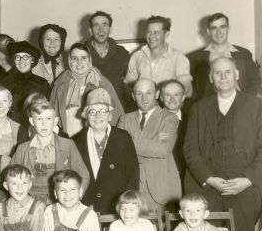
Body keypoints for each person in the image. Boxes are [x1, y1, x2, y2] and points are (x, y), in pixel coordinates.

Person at [183, 56, 262, 231]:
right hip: (209, 190)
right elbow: (190, 149)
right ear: (210, 78)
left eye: (228, 72)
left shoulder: (257, 106)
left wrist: (247, 180)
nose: (223, 77)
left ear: (237, 75)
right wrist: (209, 179)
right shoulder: (199, 108)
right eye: (218, 73)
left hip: (246, 189)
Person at [118, 78, 181, 214]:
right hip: (132, 189)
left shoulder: (169, 118)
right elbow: (118, 148)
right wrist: (153, 141)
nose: (144, 98)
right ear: (133, 96)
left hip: (162, 191)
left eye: (149, 93)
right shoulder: (124, 119)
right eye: (139, 93)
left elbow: (163, 149)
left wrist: (128, 141)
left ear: (157, 94)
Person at [73, 88, 139, 214]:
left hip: (118, 208)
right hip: (87, 208)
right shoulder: (76, 142)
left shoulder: (123, 138)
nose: (98, 116)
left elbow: (133, 177)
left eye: (103, 111)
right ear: (86, 116)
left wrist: (128, 207)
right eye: (92, 112)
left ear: (110, 115)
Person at [11, 99, 90, 205]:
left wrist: (75, 198)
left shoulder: (67, 145)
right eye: (39, 119)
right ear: (31, 121)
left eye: (48, 118)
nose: (44, 124)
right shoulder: (22, 149)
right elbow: (11, 177)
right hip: (30, 201)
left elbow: (84, 175)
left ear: (55, 120)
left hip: (59, 201)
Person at [51, 42, 124, 137]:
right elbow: (51, 116)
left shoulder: (101, 82)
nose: (79, 62)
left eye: (83, 58)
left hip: (95, 138)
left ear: (89, 60)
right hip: (66, 138)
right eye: (74, 58)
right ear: (69, 61)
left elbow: (118, 116)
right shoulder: (59, 84)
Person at [188, 12, 260, 101]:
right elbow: (190, 86)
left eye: (222, 27)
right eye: (214, 28)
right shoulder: (194, 57)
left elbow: (255, 80)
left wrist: (245, 101)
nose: (219, 32)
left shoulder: (244, 53)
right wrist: (201, 105)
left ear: (228, 29)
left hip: (241, 106)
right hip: (210, 110)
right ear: (208, 32)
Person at [124, 15, 193, 97]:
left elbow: (188, 90)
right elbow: (128, 84)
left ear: (166, 34)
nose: (151, 36)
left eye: (156, 32)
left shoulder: (179, 58)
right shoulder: (137, 56)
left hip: (167, 107)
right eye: (149, 32)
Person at [84, 11, 131, 109]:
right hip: (90, 111)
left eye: (104, 25)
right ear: (90, 30)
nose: (101, 30)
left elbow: (129, 85)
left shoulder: (122, 53)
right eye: (96, 26)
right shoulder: (81, 52)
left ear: (110, 29)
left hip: (118, 110)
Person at [0, 41, 51, 124]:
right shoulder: (4, 82)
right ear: (14, 60)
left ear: (32, 60)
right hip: (9, 126)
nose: (21, 61)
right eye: (18, 57)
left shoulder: (41, 84)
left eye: (26, 57)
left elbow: (48, 111)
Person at [160, 79, 188, 180]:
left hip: (183, 177)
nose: (172, 99)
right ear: (161, 97)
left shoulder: (192, 120)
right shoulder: (151, 119)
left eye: (176, 95)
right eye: (167, 95)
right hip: (157, 176)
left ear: (183, 97)